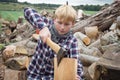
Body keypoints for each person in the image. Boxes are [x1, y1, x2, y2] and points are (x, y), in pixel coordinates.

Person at [24, 4, 83, 80]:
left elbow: (76, 63)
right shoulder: (47, 24)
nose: (62, 27)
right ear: (54, 19)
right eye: (59, 23)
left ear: (73, 24)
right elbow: (27, 11)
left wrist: (77, 76)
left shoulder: (72, 41)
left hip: (52, 77)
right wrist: (43, 28)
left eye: (66, 24)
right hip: (34, 74)